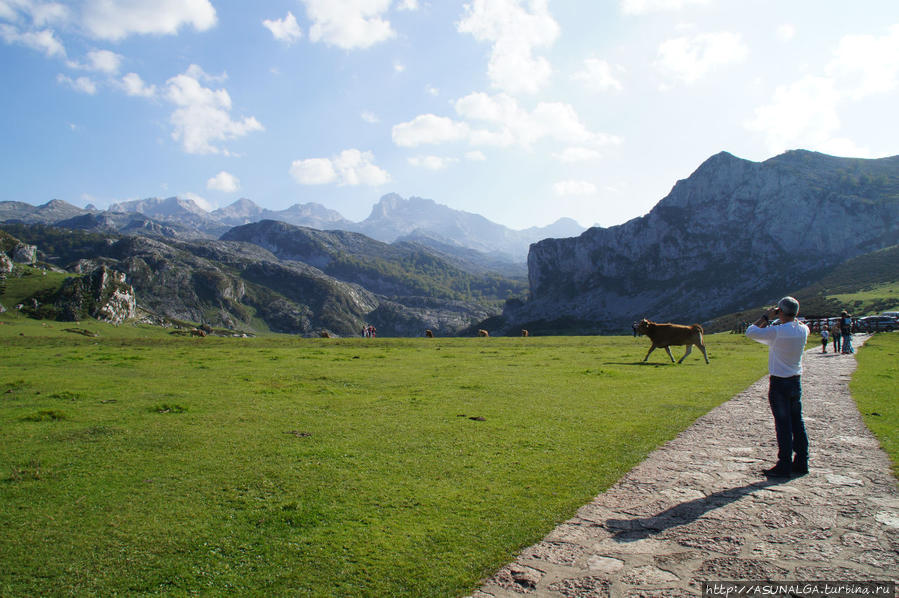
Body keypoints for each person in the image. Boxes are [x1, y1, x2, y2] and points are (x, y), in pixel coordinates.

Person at [746, 296, 810, 477]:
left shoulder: (777, 332)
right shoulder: (803, 329)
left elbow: (751, 332)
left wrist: (766, 317)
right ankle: (802, 461)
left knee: (783, 424)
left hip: (779, 382)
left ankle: (784, 464)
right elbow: (793, 323)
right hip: (795, 381)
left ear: (780, 311)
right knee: (797, 422)